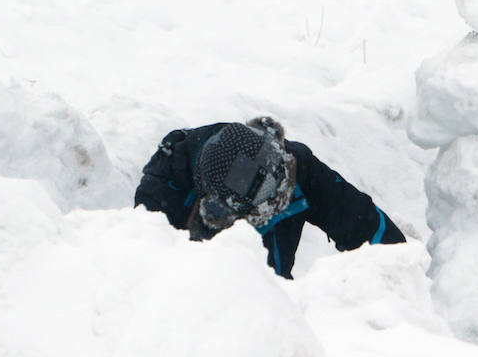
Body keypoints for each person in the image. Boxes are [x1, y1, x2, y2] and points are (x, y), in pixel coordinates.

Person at [135, 115, 404, 278]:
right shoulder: (160, 200)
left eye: (282, 180)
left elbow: (369, 229)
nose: (283, 194)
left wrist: (396, 279)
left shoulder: (290, 163)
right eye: (269, 200)